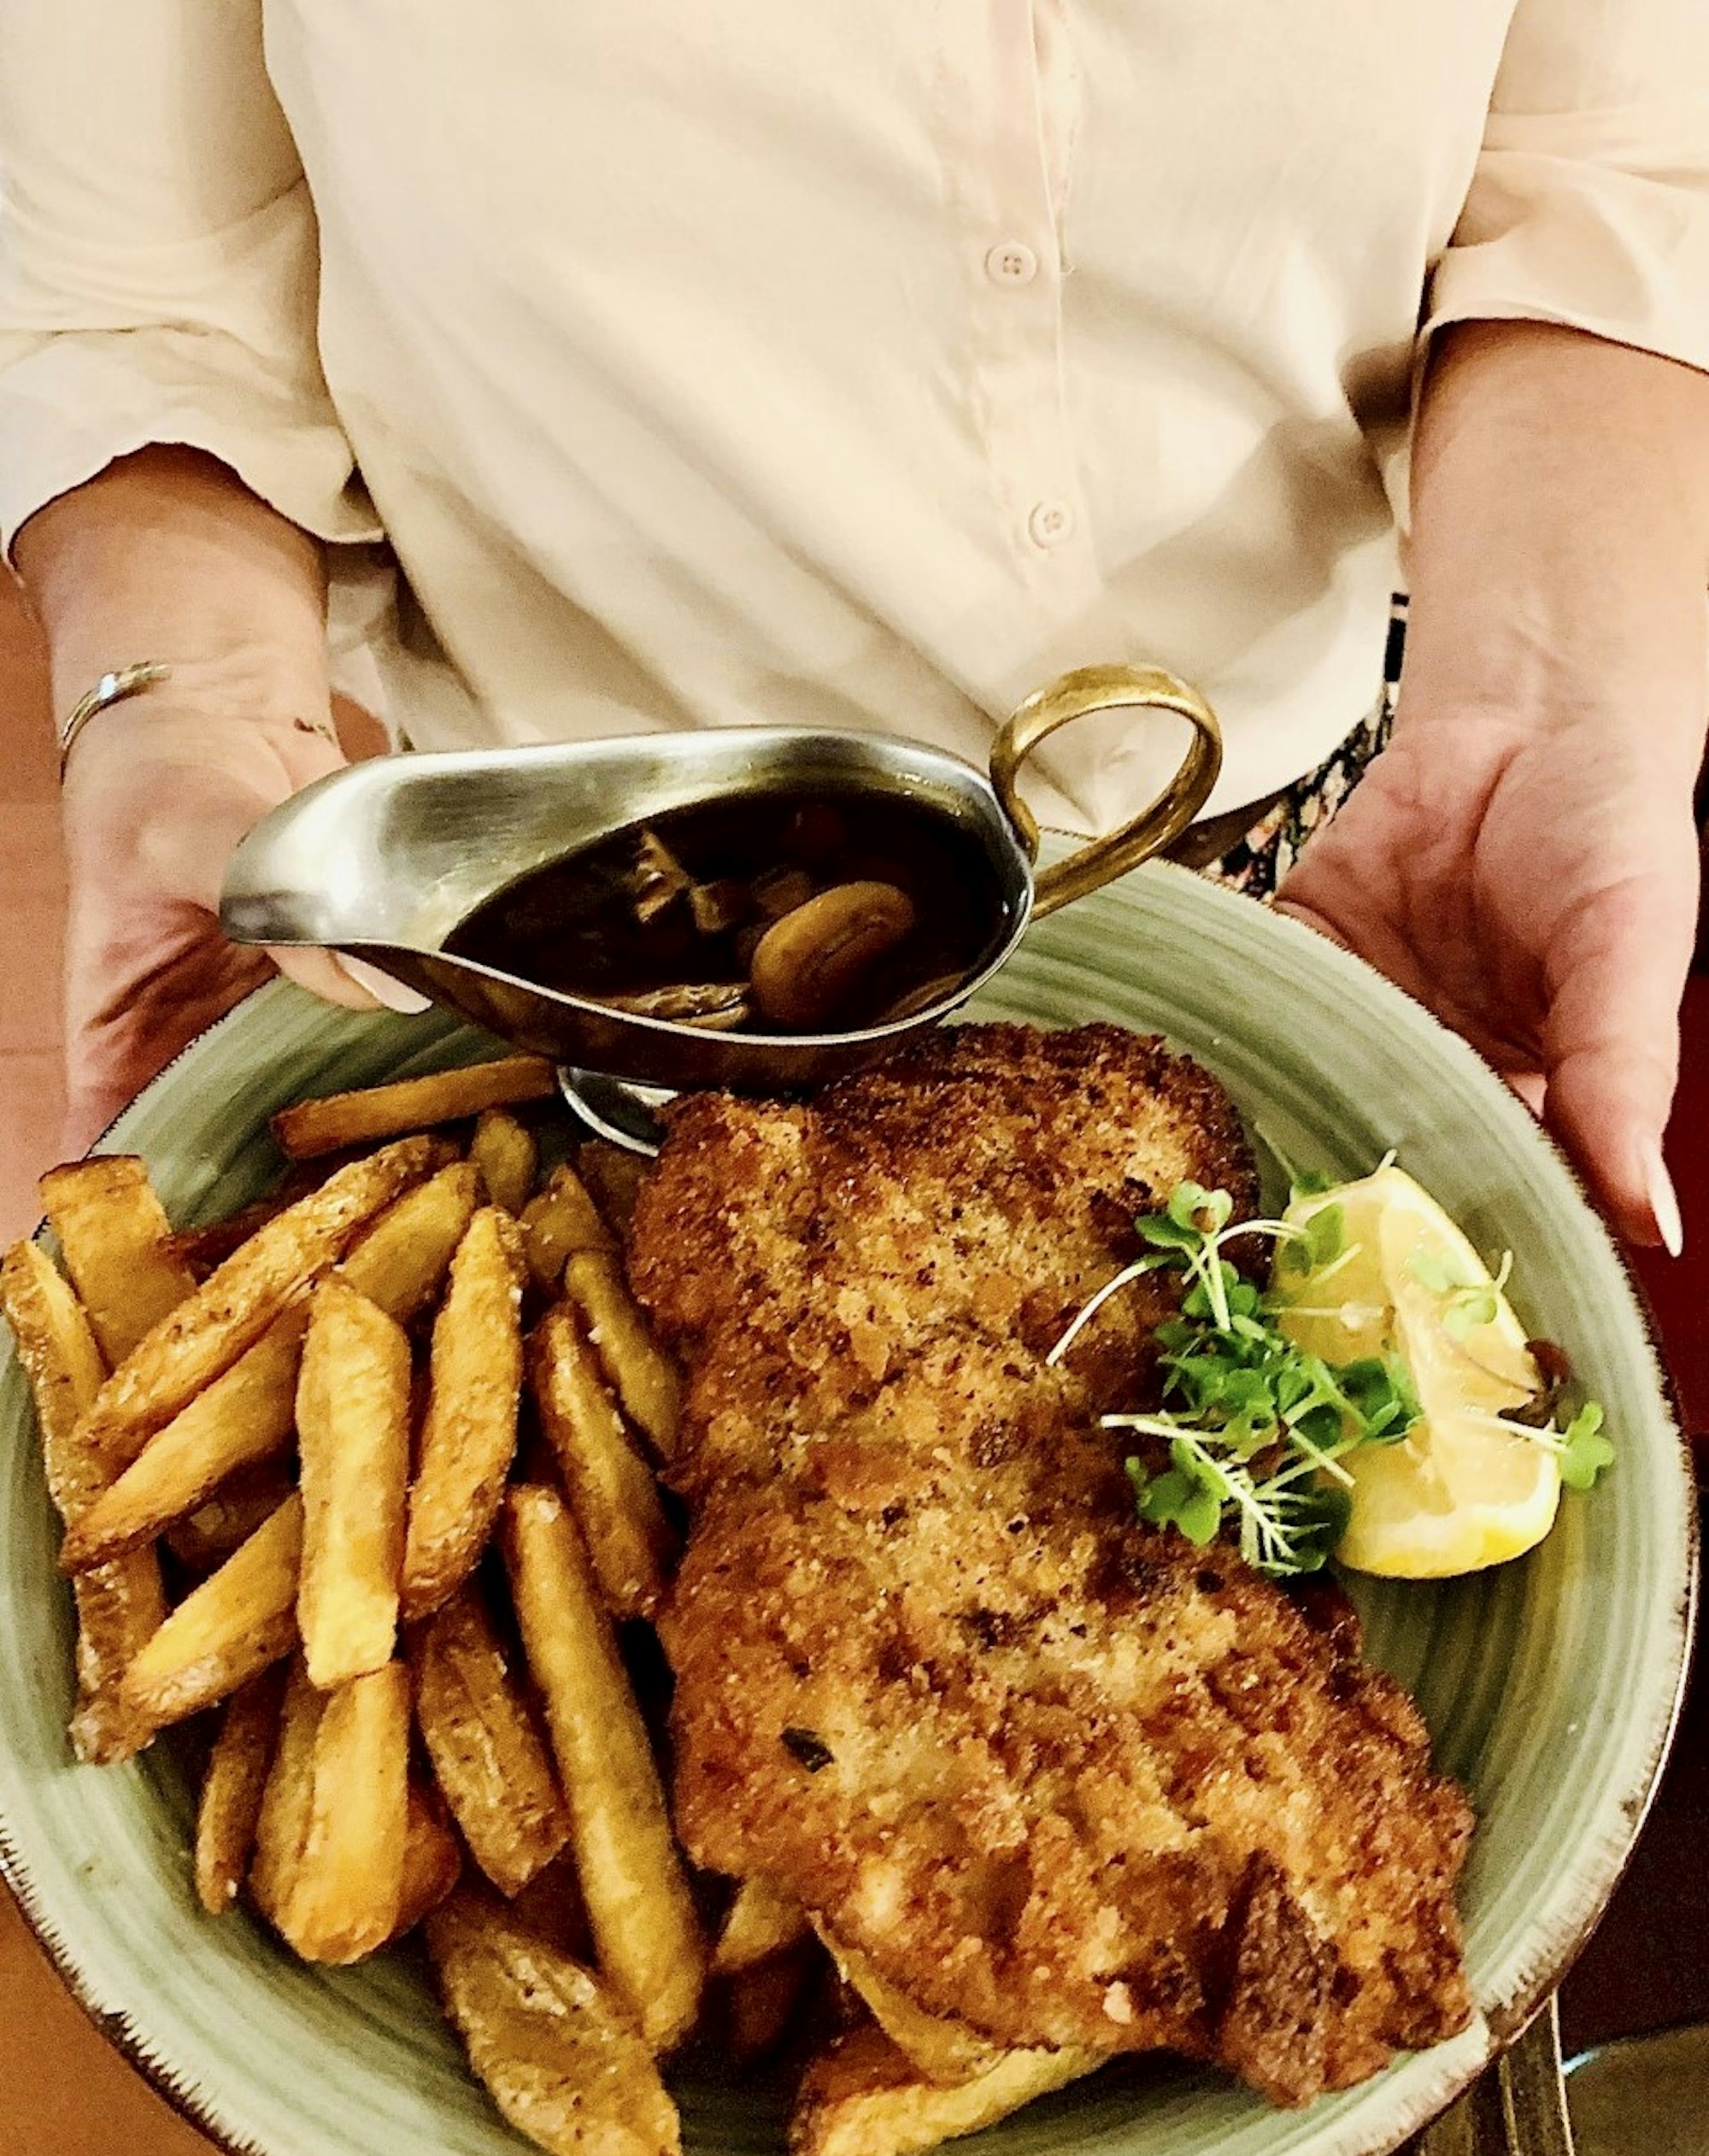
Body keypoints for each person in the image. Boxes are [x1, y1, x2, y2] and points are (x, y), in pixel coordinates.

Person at [3, 5, 1706, 1253]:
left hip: (1327, 851)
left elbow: (1604, 172)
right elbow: (134, 298)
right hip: (577, 929)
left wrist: (1555, 693)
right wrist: (188, 696)